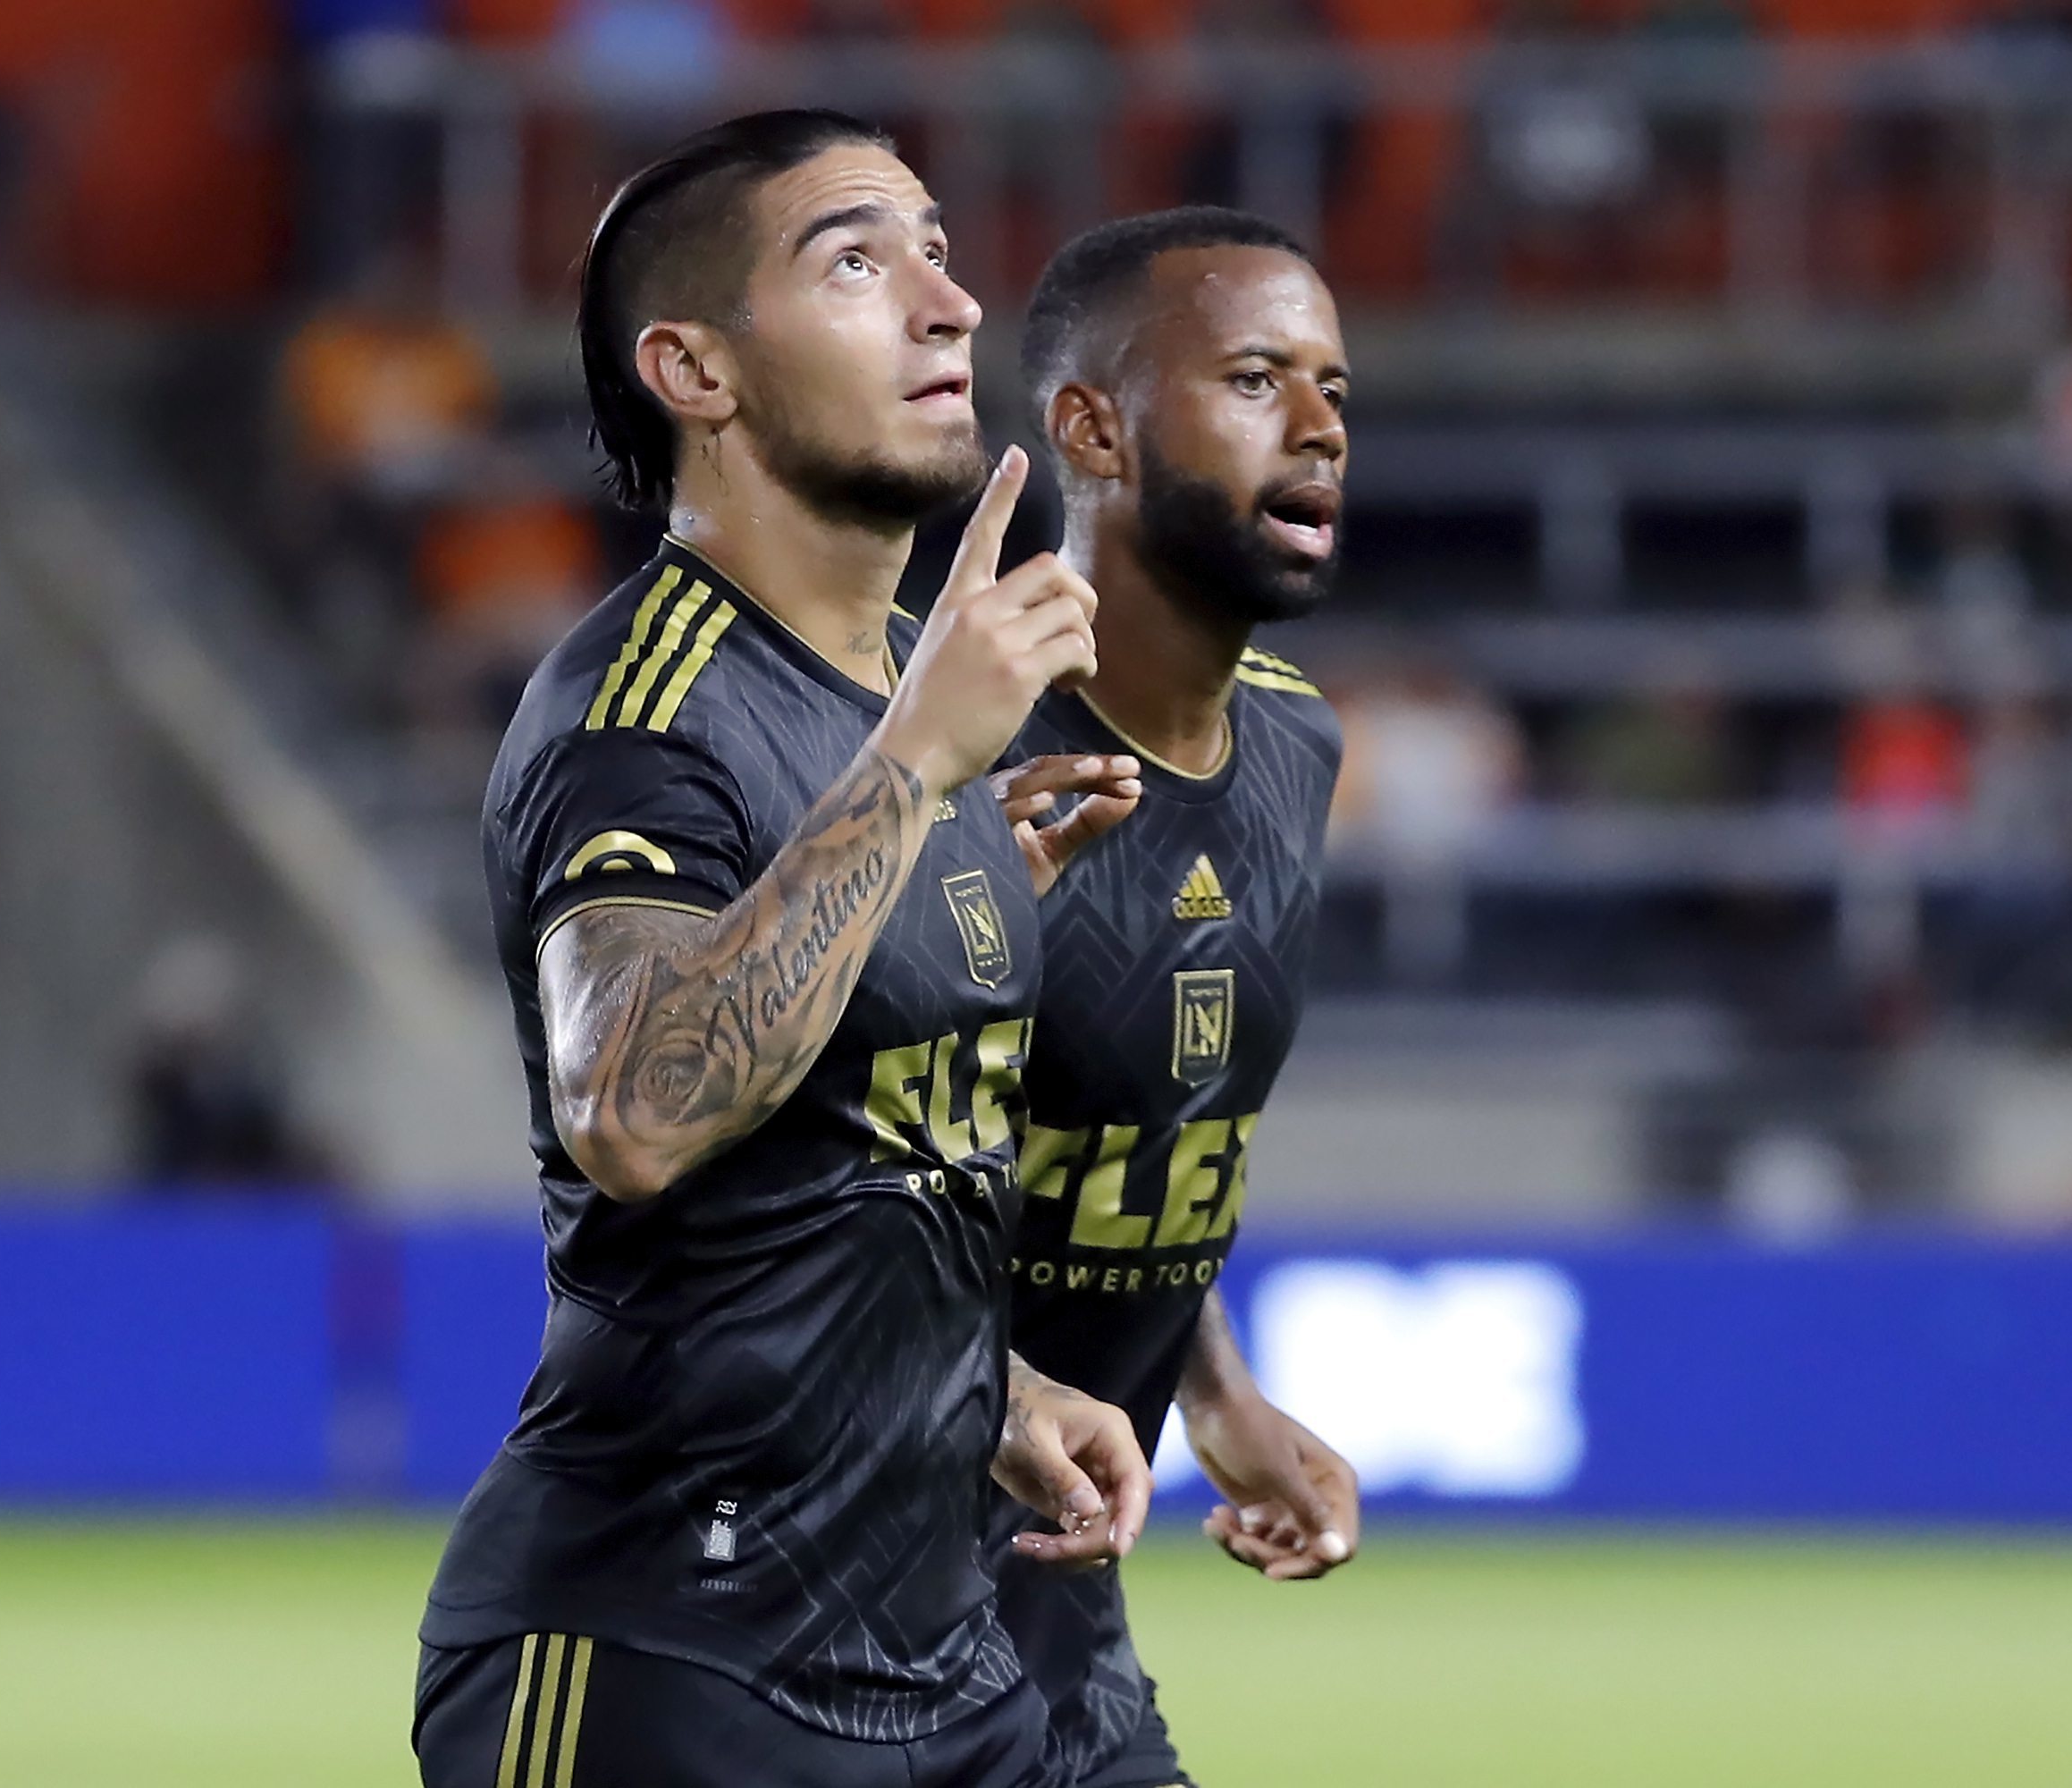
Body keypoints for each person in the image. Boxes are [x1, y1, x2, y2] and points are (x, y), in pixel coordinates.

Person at [414, 111, 1152, 1788]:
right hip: (660, 1673)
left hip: (941, 1673)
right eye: (853, 260)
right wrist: (910, 770)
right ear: (695, 369)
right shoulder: (643, 707)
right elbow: (637, 1108)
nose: (948, 303)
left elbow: (855, 1170)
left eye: (938, 249)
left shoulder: (909, 689)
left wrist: (1001, 1391)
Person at [991, 207, 1364, 1788]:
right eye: (1257, 377)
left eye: (1337, 389)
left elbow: (1136, 1118)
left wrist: (1212, 1388)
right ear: (1093, 427)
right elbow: (772, 1166)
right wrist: (991, 1385)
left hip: (1051, 1628)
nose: (1322, 426)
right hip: (794, 1608)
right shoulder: (935, 744)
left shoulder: (1293, 741)